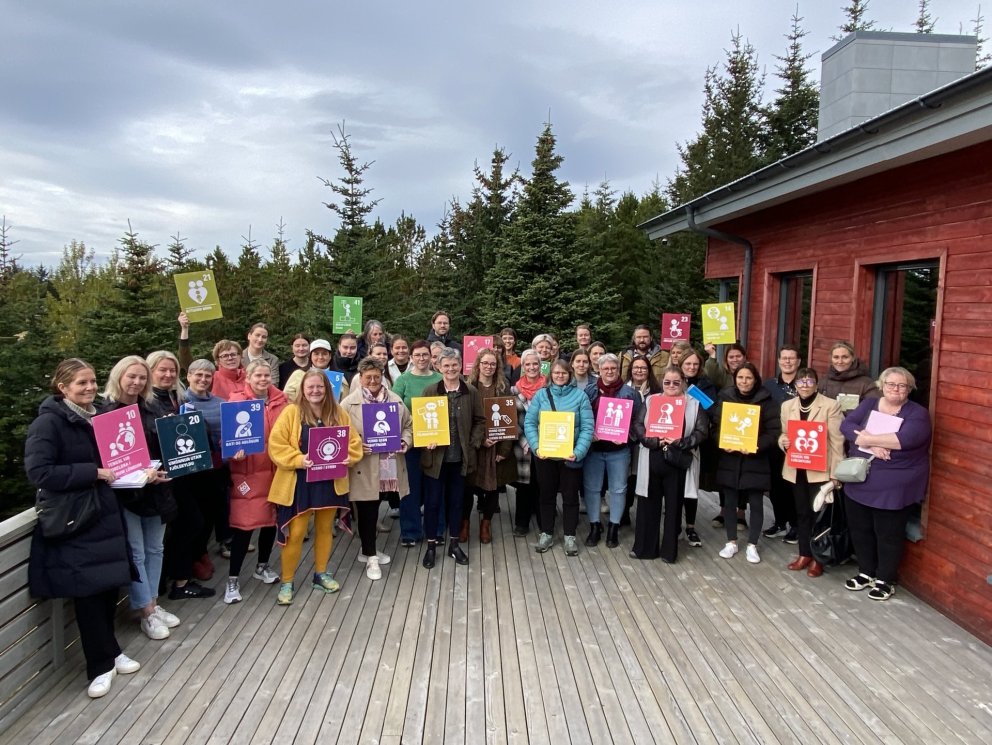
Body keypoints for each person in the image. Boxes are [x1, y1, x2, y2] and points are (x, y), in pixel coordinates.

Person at [26, 359, 141, 699]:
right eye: (81, 383)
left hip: (104, 513)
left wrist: (140, 471)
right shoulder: (49, 423)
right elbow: (40, 473)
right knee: (88, 593)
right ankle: (99, 666)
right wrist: (93, 472)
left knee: (106, 588)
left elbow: (121, 456)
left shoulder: (102, 414)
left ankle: (112, 651)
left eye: (92, 381)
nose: (90, 388)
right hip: (77, 520)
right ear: (63, 387)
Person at [268, 370, 363, 605]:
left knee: (324, 528)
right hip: (299, 481)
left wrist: (346, 458)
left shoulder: (337, 412)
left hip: (330, 480)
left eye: (319, 387)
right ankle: (287, 581)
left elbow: (354, 443)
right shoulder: (291, 412)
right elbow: (276, 445)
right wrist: (300, 459)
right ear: (302, 389)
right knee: (297, 532)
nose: (315, 391)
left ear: (326, 388)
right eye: (310, 387)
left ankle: (321, 573)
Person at [100, 355, 179, 640]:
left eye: (142, 377)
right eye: (131, 376)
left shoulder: (152, 407)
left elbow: (165, 446)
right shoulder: (106, 411)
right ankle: (145, 611)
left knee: (155, 549)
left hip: (156, 490)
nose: (136, 382)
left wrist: (165, 468)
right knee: (136, 552)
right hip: (127, 495)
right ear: (119, 376)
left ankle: (153, 604)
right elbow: (109, 458)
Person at [840, 367, 932, 601]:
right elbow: (847, 425)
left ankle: (885, 579)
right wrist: (873, 446)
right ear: (882, 385)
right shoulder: (869, 405)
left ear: (909, 389)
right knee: (860, 530)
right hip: (860, 478)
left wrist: (867, 439)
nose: (896, 389)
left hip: (894, 483)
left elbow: (905, 439)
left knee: (888, 534)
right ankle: (866, 572)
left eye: (902, 386)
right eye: (891, 384)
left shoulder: (917, 413)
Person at [147, 350, 215, 600]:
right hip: (159, 476)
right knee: (186, 524)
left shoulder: (178, 397)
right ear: (151, 371)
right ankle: (173, 582)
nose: (167, 374)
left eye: (171, 370)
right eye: (162, 370)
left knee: (190, 523)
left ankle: (176, 579)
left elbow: (194, 429)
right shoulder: (147, 401)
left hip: (182, 472)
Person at [340, 357, 413, 580]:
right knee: (368, 509)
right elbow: (340, 432)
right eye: (368, 377)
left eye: (376, 376)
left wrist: (404, 441)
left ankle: (366, 549)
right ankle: (371, 556)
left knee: (378, 503)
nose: (373, 380)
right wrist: (356, 445)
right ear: (360, 379)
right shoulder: (347, 404)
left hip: (389, 463)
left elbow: (408, 426)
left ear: (382, 377)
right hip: (364, 464)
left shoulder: (395, 399)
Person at [224, 360, 287, 604]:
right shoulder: (236, 402)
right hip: (248, 474)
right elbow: (226, 441)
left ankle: (262, 566)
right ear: (248, 378)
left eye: (266, 375)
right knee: (244, 526)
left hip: (276, 472)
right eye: (257, 375)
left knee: (271, 522)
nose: (263, 379)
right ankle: (232, 579)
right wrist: (234, 451)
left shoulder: (282, 401)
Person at [632, 366, 709, 562]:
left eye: (676, 382)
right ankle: (645, 548)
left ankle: (669, 551)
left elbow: (701, 431)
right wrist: (654, 441)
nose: (672, 386)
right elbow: (639, 425)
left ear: (684, 381)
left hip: (678, 458)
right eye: (667, 382)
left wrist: (681, 442)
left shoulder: (694, 403)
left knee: (674, 506)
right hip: (653, 456)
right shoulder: (651, 400)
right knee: (648, 504)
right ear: (662, 382)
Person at [420, 347, 485, 568]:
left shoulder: (471, 391)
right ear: (438, 366)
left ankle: (454, 545)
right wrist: (425, 438)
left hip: (461, 459)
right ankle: (430, 547)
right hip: (435, 460)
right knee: (432, 503)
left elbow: (480, 420)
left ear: (460, 366)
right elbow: (422, 422)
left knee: (457, 503)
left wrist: (473, 443)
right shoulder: (430, 391)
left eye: (454, 365)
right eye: (446, 365)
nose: (450, 369)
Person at [778, 367, 845, 578]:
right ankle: (804, 553)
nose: (804, 386)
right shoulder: (787, 406)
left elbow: (838, 442)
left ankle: (818, 557)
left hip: (820, 470)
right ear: (795, 385)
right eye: (800, 382)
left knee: (819, 515)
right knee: (802, 513)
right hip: (796, 468)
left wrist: (836, 474)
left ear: (816, 383)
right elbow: (784, 434)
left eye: (809, 381)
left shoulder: (830, 406)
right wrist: (783, 442)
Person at [713, 362, 781, 564]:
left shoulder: (767, 400)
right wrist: (722, 442)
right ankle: (731, 541)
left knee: (756, 503)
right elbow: (716, 426)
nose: (744, 381)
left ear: (755, 380)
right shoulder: (725, 397)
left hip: (756, 459)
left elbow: (773, 431)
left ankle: (752, 544)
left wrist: (756, 446)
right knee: (730, 501)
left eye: (748, 378)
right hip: (731, 457)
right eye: (740, 377)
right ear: (735, 379)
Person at [525, 359, 594, 555]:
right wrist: (537, 447)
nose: (560, 376)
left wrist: (578, 451)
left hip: (569, 456)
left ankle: (570, 535)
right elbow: (530, 423)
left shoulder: (580, 396)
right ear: (551, 375)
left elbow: (588, 427)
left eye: (563, 373)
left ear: (570, 374)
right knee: (546, 495)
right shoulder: (541, 395)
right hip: (545, 456)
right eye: (556, 373)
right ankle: (546, 533)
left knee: (570, 496)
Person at [583, 353, 641, 548]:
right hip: (594, 449)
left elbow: (638, 423)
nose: (609, 372)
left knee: (618, 489)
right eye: (606, 368)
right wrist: (588, 434)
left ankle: (614, 527)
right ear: (599, 370)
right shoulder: (590, 391)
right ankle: (594, 524)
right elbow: (582, 419)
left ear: (619, 370)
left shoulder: (630, 393)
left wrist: (626, 436)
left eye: (613, 369)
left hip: (619, 451)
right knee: (592, 488)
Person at [182, 359, 230, 581]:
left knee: (212, 512)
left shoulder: (220, 402)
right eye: (198, 375)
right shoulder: (181, 403)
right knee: (195, 517)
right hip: (193, 471)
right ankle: (194, 556)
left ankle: (201, 552)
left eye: (207, 376)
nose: (203, 379)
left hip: (218, 466)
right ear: (188, 376)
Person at [462, 347, 517, 544]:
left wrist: (504, 450)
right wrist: (479, 440)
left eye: (493, 364)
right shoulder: (467, 386)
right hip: (474, 445)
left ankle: (486, 523)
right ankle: (465, 523)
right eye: (485, 363)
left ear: (498, 366)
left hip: (497, 445)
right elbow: (465, 419)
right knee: (468, 486)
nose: (488, 367)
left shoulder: (503, 387)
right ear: (478, 364)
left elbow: (509, 420)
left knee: (493, 487)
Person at [392, 340, 442, 546]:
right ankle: (411, 531)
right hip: (411, 441)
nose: (422, 358)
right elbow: (394, 407)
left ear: (431, 356)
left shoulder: (440, 378)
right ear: (411, 358)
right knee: (410, 487)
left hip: (435, 440)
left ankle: (437, 530)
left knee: (435, 487)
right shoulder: (403, 380)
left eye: (425, 355)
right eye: (418, 355)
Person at [762, 344, 802, 543]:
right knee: (776, 485)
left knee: (793, 485)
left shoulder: (803, 384)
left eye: (791, 358)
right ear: (778, 361)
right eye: (784, 358)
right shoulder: (768, 385)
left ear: (799, 362)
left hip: (797, 443)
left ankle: (795, 525)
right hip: (774, 442)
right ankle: (779, 522)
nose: (787, 361)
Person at [680, 348, 718, 544]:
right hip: (674, 440)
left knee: (691, 486)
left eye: (695, 364)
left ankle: (691, 526)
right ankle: (676, 523)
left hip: (695, 441)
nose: (692, 367)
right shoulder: (673, 381)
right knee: (674, 486)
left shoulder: (706, 384)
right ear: (681, 364)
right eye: (688, 364)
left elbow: (712, 410)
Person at [510, 349, 546, 537]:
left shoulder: (549, 388)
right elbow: (511, 421)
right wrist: (525, 440)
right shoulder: (513, 391)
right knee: (524, 485)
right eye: (528, 364)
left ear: (540, 366)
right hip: (522, 445)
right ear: (522, 367)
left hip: (546, 444)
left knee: (543, 484)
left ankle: (544, 523)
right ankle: (521, 523)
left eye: (535, 364)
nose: (532, 367)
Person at [819, 341, 880, 415]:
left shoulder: (866, 383)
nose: (840, 361)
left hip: (853, 425)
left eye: (845, 357)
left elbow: (874, 408)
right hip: (827, 424)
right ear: (831, 359)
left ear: (853, 358)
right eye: (836, 357)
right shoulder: (824, 381)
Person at [242, 323, 281, 389]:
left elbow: (274, 384)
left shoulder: (272, 360)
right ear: (249, 336)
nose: (260, 339)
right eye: (257, 335)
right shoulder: (238, 357)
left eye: (264, 337)